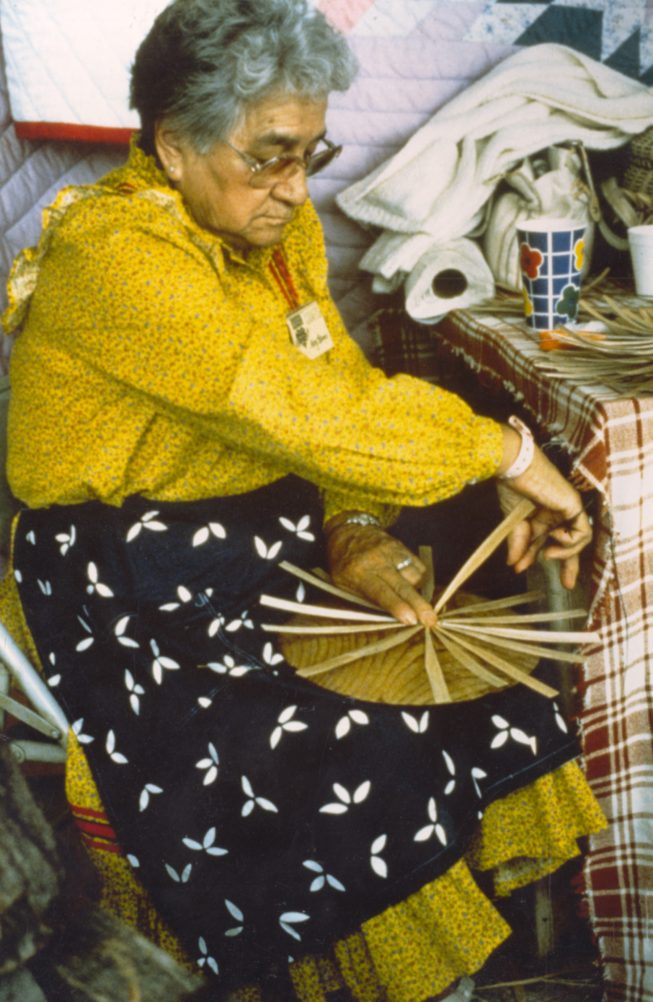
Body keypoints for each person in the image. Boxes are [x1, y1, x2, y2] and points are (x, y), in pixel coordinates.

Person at [1, 1, 604, 999]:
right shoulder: (115, 260)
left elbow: (324, 375)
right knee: (364, 746)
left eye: (310, 153)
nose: (294, 187)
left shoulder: (275, 232)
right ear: (175, 144)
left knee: (471, 675)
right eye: (269, 156)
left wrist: (352, 528)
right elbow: (294, 406)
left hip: (252, 537)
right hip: (128, 581)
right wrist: (503, 450)